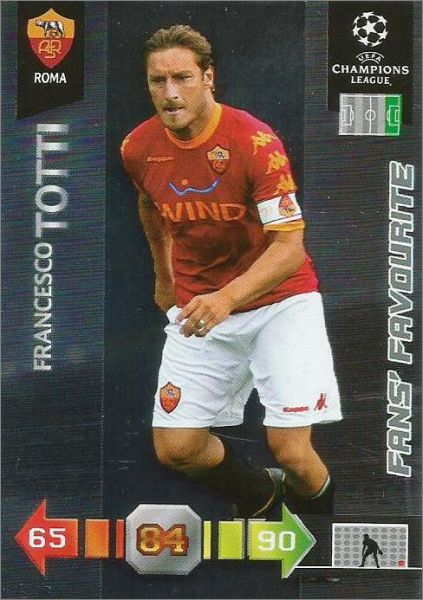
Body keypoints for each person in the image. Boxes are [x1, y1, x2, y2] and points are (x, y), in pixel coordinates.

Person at [121, 24, 342, 518]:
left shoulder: (255, 141)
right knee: (176, 448)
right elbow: (150, 204)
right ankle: (262, 497)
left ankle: (325, 538)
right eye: (157, 81)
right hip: (201, 307)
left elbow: (289, 248)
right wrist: (164, 275)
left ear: (208, 77)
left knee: (292, 453)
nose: (170, 93)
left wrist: (227, 298)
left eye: (182, 78)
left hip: (280, 304)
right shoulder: (138, 147)